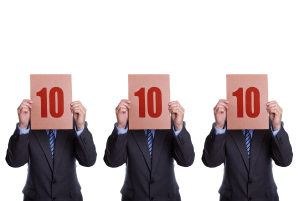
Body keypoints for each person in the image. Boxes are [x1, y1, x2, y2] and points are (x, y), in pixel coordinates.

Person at [6, 99, 97, 201]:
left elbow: (89, 161)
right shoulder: (28, 124)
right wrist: (23, 126)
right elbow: (14, 162)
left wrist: (80, 127)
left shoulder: (74, 123)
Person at [202, 99, 293, 201]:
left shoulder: (270, 124)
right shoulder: (224, 125)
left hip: (266, 197)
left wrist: (277, 127)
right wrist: (219, 126)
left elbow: (285, 161)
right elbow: (210, 162)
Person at [104, 99, 195, 201]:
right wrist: (121, 127)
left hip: (168, 197)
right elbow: (112, 162)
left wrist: (178, 127)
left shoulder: (172, 123)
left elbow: (187, 161)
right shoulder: (126, 124)